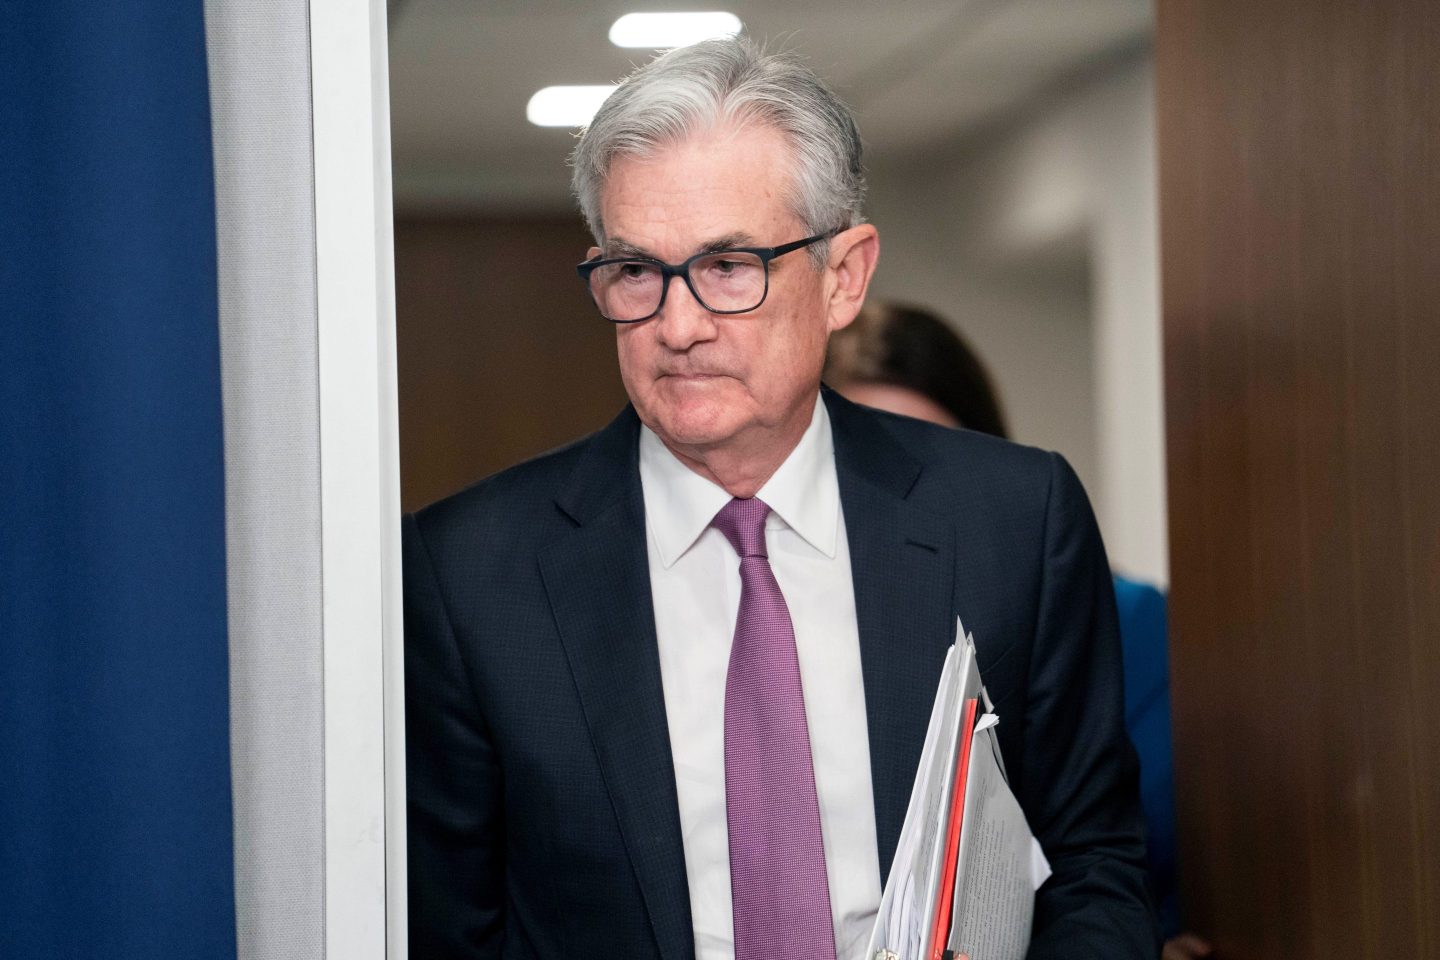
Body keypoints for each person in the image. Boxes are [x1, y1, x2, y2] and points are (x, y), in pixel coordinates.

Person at [404, 38, 1158, 960]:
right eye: (636, 271)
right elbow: (450, 928)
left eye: (729, 267)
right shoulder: (470, 576)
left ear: (843, 276)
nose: (677, 326)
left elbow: (1095, 864)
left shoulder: (1010, 521)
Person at [826, 300, 1210, 960]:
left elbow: (1132, 861)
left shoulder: (1136, 630)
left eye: (923, 461)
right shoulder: (787, 648)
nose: (901, 509)